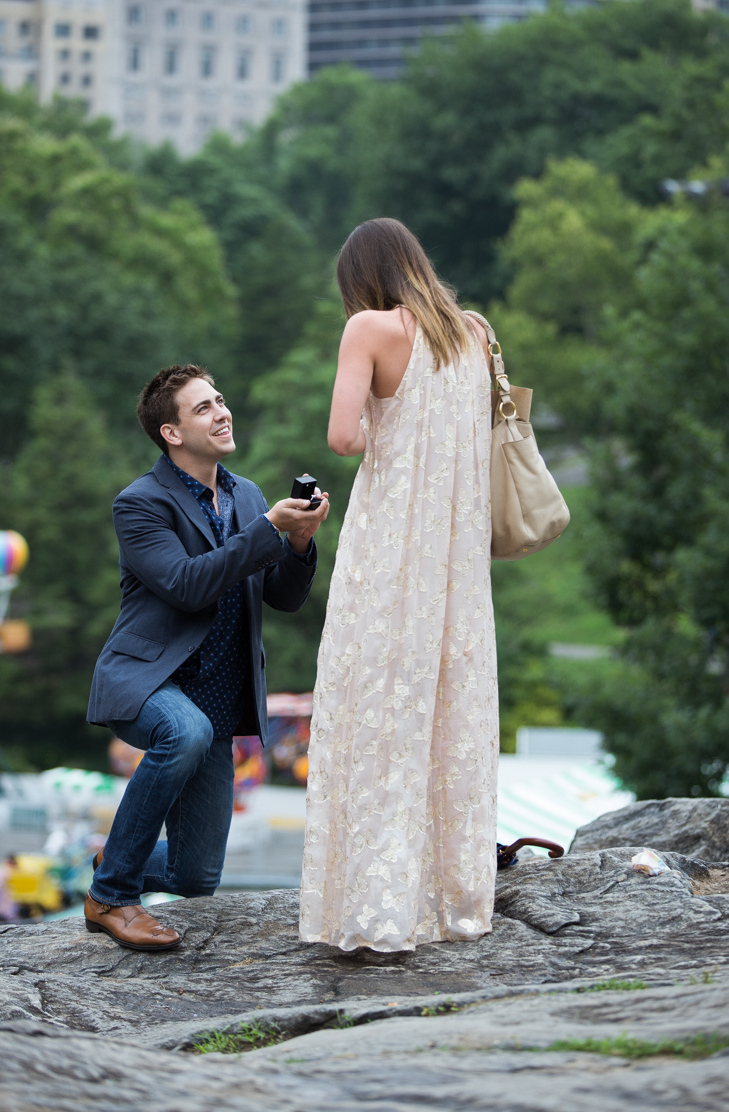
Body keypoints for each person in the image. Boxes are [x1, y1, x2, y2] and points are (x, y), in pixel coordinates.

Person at [300, 218, 498, 953]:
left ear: (363, 277)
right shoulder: (475, 332)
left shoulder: (369, 329)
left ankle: (378, 906)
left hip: (391, 545)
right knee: (451, 712)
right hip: (457, 553)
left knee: (377, 708)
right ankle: (455, 903)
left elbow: (344, 437)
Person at [85, 364, 328, 950]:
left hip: (219, 699)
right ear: (171, 433)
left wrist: (297, 542)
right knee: (184, 731)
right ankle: (111, 895)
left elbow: (284, 598)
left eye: (220, 400)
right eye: (203, 408)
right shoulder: (139, 504)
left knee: (198, 879)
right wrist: (268, 530)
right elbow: (189, 585)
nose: (222, 412)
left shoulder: (246, 495)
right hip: (147, 682)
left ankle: (114, 855)